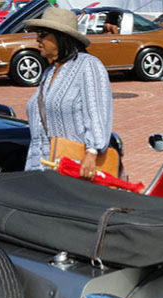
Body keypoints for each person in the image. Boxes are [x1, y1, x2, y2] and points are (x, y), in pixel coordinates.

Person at [22, 7, 112, 181]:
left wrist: (92, 153)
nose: (37, 39)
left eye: (42, 34)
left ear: (61, 37)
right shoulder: (48, 73)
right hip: (39, 168)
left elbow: (96, 111)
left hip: (73, 169)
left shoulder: (88, 65)